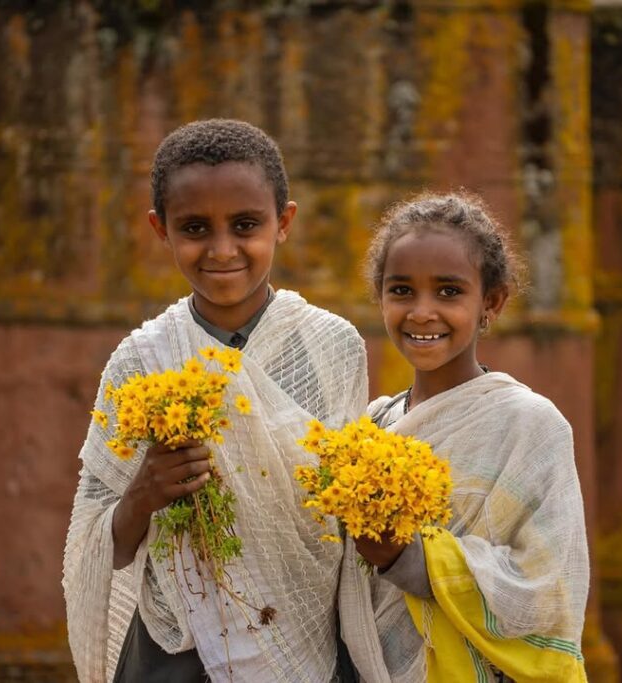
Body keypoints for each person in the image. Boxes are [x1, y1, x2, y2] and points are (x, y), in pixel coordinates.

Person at [63, 119, 368, 683]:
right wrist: (144, 493)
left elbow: (340, 518)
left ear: (285, 223)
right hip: (174, 652)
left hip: (308, 640)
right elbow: (95, 546)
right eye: (196, 228)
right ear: (161, 229)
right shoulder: (140, 360)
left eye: (246, 225)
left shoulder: (331, 347)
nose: (222, 249)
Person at [339, 192, 590, 683]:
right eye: (402, 291)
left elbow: (548, 590)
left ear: (490, 302)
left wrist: (407, 557)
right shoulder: (373, 426)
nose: (422, 312)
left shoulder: (530, 427)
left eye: (449, 292)